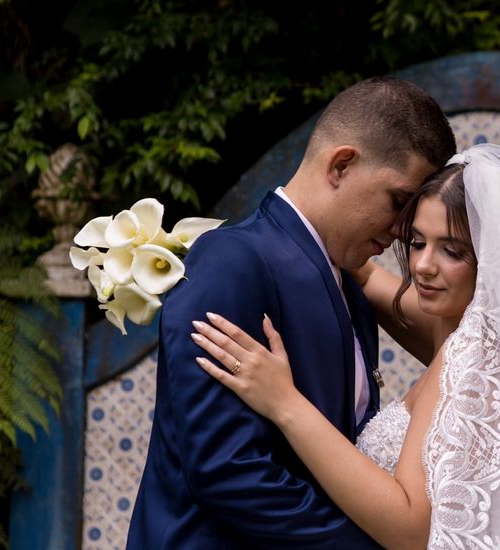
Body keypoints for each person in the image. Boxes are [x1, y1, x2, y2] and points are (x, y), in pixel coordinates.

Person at [192, 144, 500, 549]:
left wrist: (284, 402)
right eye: (418, 242)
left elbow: (409, 528)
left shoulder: (476, 360)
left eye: (453, 251)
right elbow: (370, 279)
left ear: (493, 261)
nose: (423, 266)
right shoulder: (473, 338)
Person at [126, 76, 456, 549]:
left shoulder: (350, 279)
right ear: (341, 164)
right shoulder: (232, 263)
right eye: (399, 202)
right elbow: (230, 470)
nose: (404, 231)